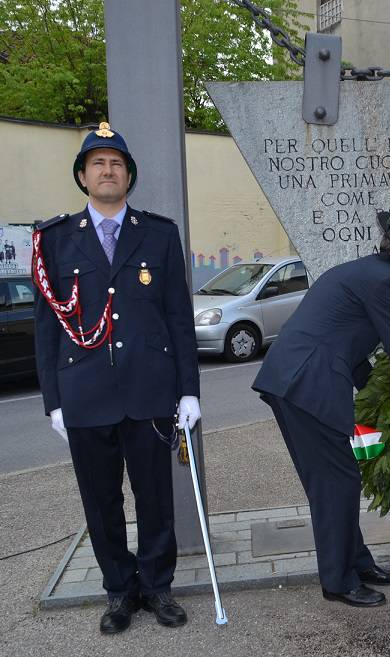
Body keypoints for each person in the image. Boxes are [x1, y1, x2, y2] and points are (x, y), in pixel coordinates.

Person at [253, 208, 390, 607]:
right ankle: (338, 580)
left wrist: (377, 397)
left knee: (339, 481)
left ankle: (357, 563)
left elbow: (351, 348)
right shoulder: (387, 281)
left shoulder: (366, 272)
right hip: (307, 385)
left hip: (297, 381)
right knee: (335, 484)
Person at [33, 123, 201, 634]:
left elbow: (178, 314)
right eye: (98, 163)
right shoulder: (55, 239)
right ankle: (118, 592)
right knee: (100, 501)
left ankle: (156, 586)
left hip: (149, 390)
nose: (108, 171)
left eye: (117, 164)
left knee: (154, 497)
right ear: (83, 177)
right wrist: (53, 400)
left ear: (129, 176)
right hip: (84, 392)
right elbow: (45, 325)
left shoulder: (159, 233)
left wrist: (188, 389)